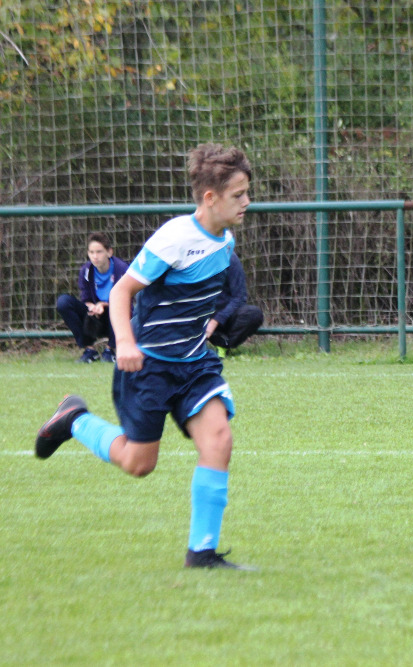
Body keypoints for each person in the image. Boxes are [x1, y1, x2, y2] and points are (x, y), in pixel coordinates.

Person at [35, 143, 254, 570]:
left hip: (194, 363)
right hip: (149, 365)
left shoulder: (225, 239)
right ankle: (74, 420)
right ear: (211, 198)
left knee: (219, 440)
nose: (247, 201)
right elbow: (121, 292)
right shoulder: (175, 238)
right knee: (139, 464)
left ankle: (202, 553)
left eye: (247, 192)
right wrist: (126, 343)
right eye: (239, 194)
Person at [56, 232, 130, 363]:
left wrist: (104, 305)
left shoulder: (122, 269)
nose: (95, 256)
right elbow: (86, 299)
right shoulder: (86, 271)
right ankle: (89, 350)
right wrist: (92, 307)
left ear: (109, 252)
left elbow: (127, 300)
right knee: (63, 302)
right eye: (91, 252)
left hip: (115, 315)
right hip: (95, 316)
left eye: (99, 252)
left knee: (121, 308)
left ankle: (110, 350)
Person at [207, 252, 263, 357]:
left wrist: (216, 321)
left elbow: (239, 297)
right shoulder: (188, 258)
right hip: (201, 315)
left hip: (226, 316)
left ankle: (223, 345)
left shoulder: (229, 257)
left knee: (253, 314)